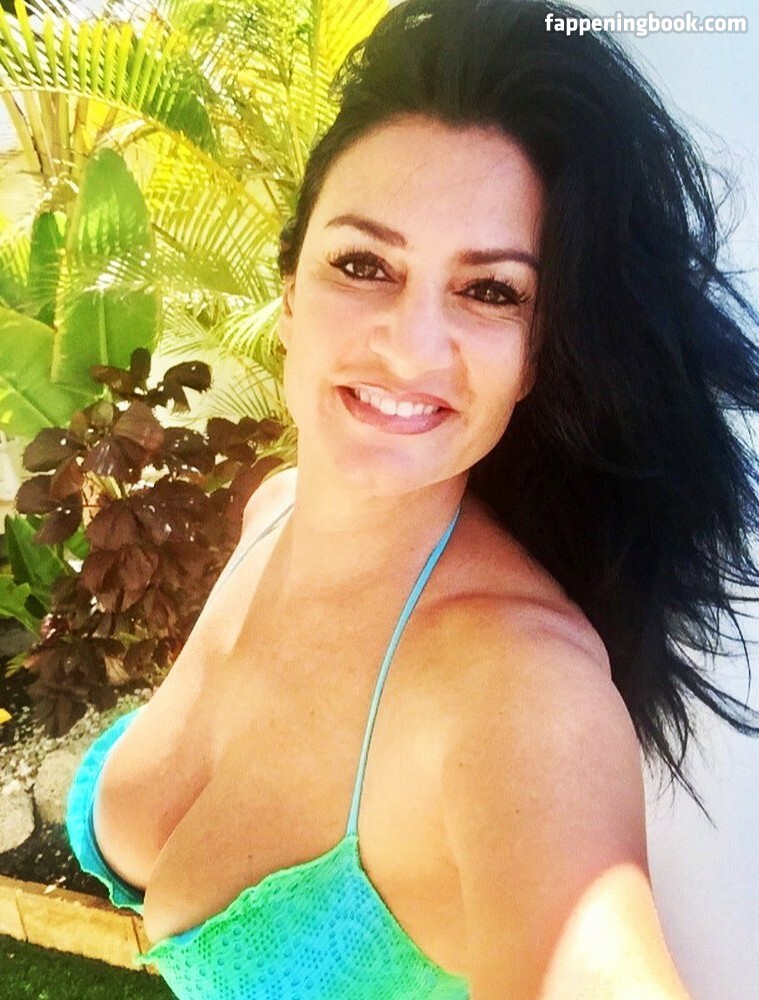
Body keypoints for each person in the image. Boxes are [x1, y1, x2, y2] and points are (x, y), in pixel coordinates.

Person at [65, 0, 759, 996]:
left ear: (534, 360)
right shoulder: (273, 510)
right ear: (290, 294)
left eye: (491, 291)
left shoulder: (523, 696)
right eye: (363, 264)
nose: (410, 345)